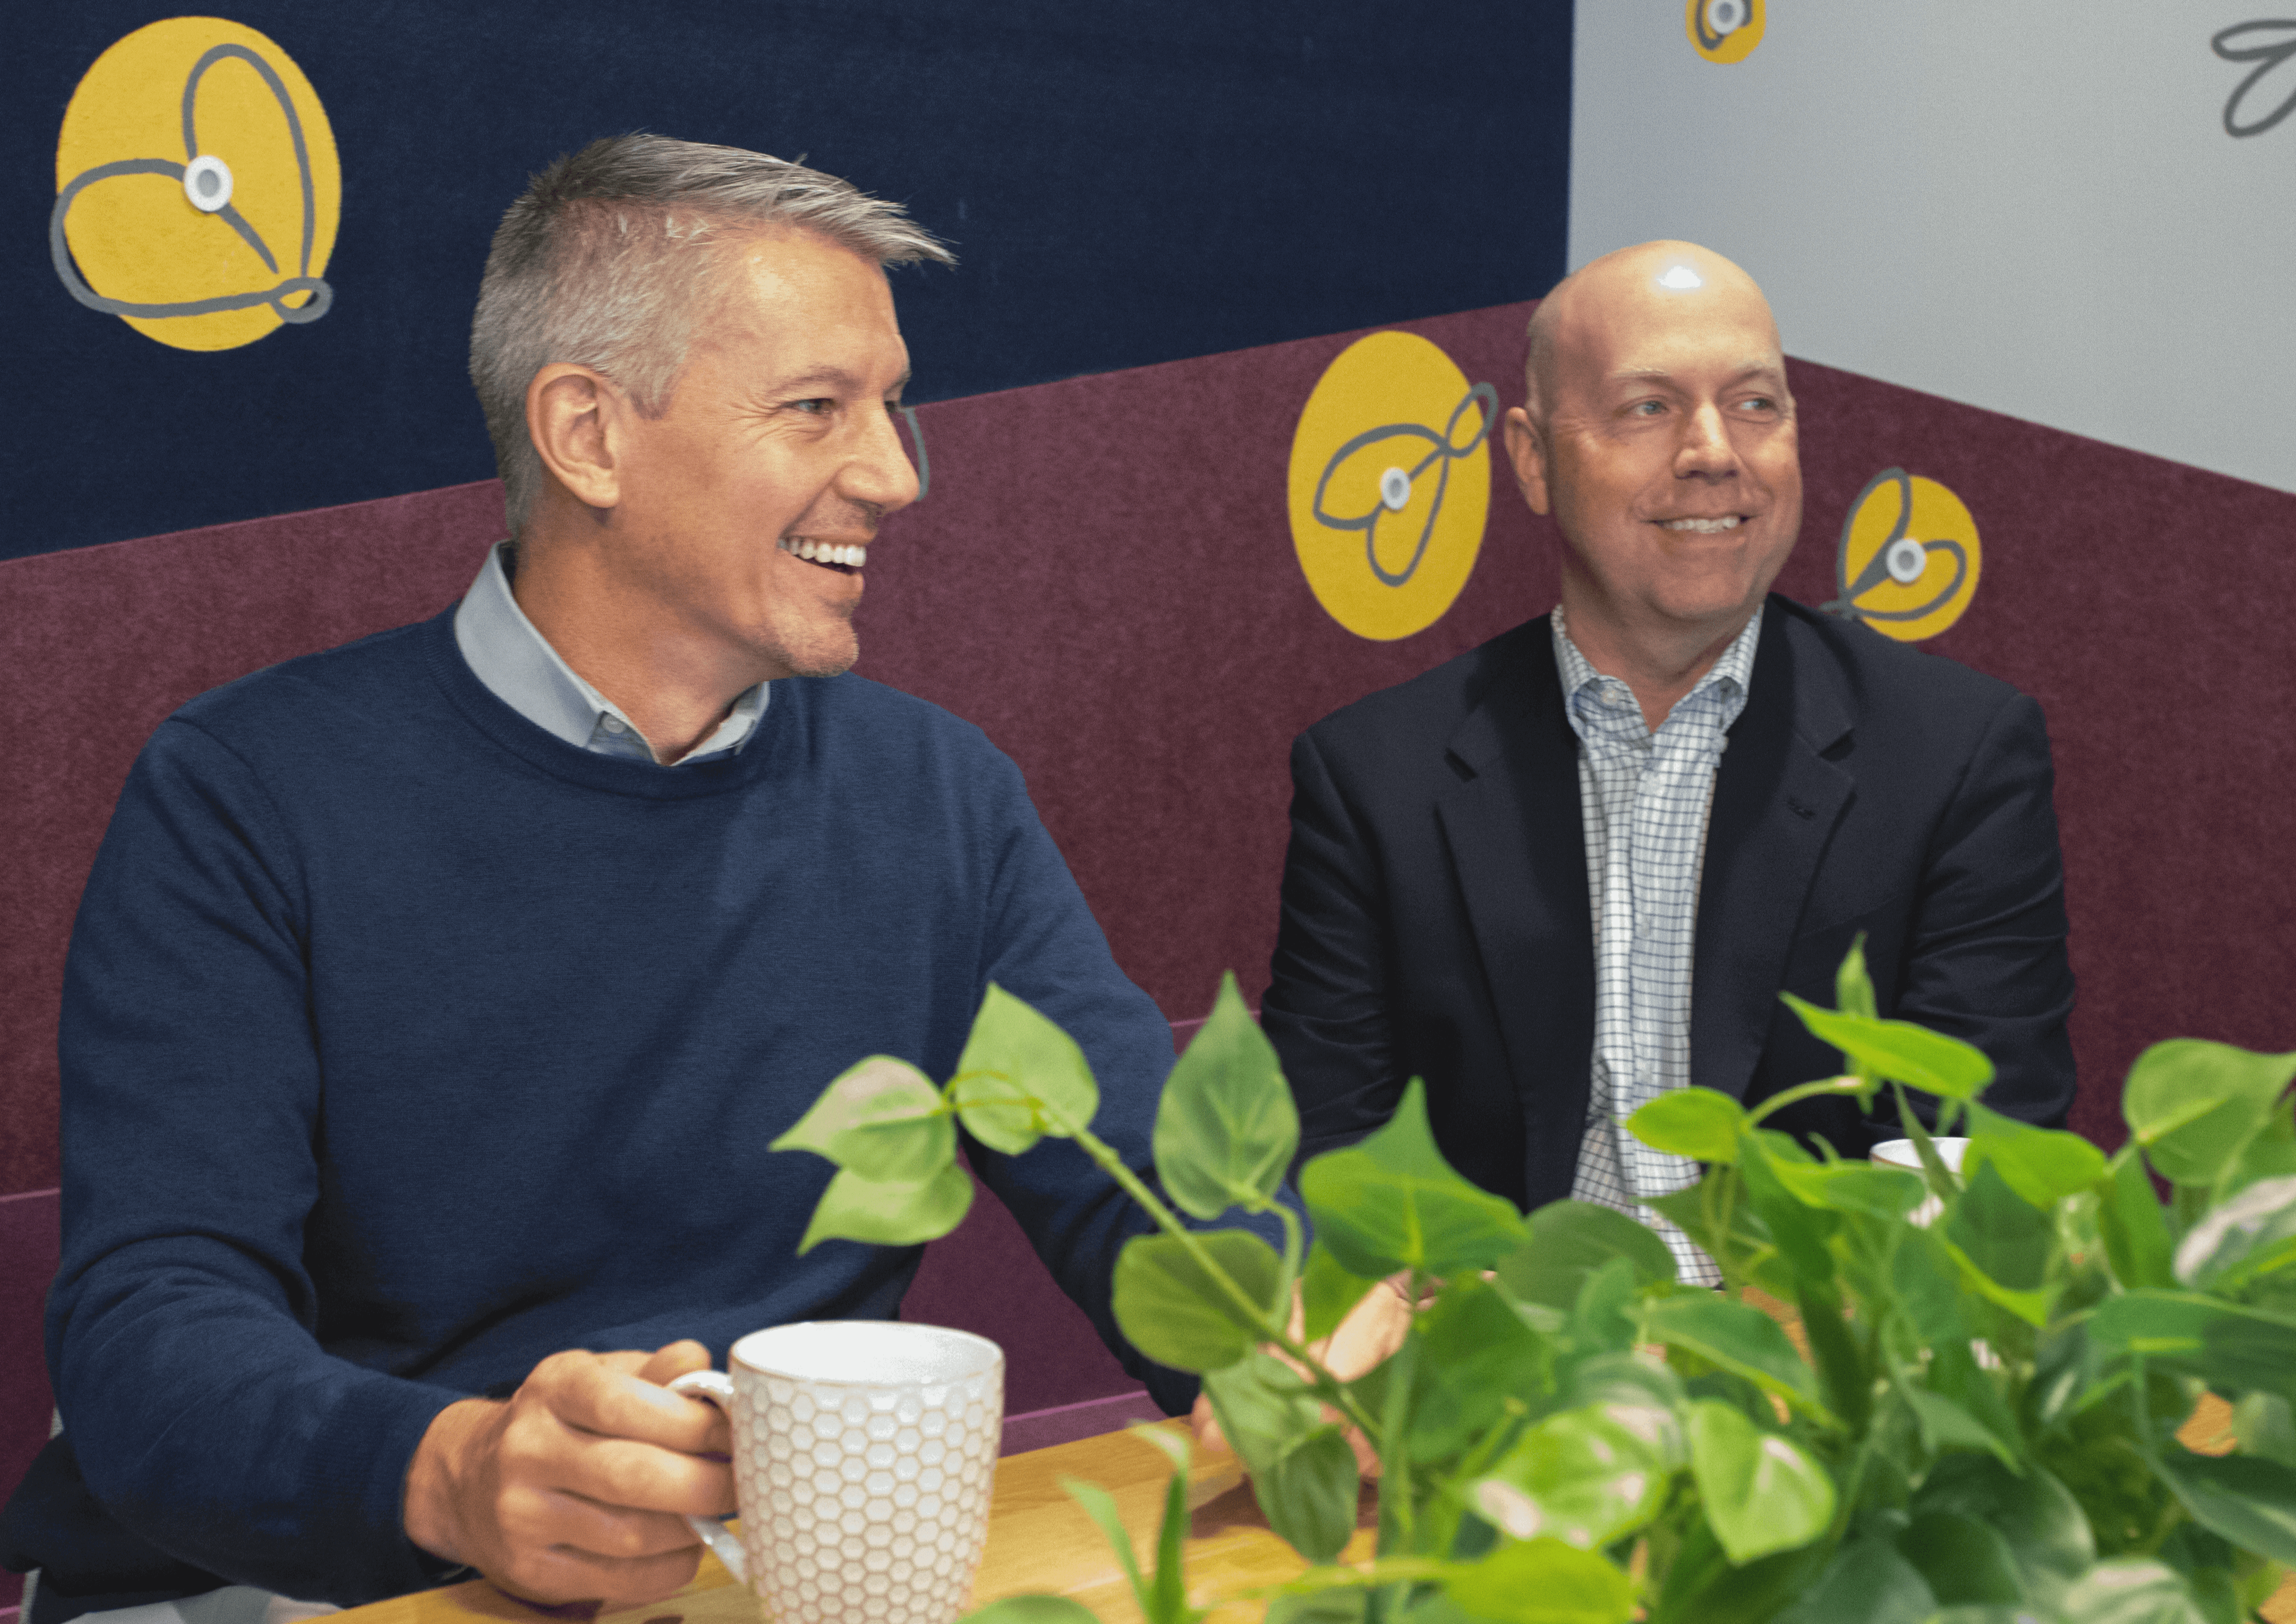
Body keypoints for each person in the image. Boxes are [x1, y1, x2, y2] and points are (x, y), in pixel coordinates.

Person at [2, 135, 1213, 1623]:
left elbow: (1150, 1197)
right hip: (307, 1593)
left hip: (736, 1589)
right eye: (818, 408)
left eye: (893, 405)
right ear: (588, 435)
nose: (895, 474)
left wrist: (1314, 1345)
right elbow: (150, 1344)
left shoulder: (934, 793)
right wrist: (449, 1473)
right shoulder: (243, 792)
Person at [1260, 241, 2077, 1283]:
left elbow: (1982, 1143)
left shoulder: (1958, 755)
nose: (1712, 451)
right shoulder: (1377, 777)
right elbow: (1329, 1160)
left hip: (1813, 1377)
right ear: (1532, 459)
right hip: (1506, 1379)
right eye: (1648, 407)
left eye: (1755, 404)